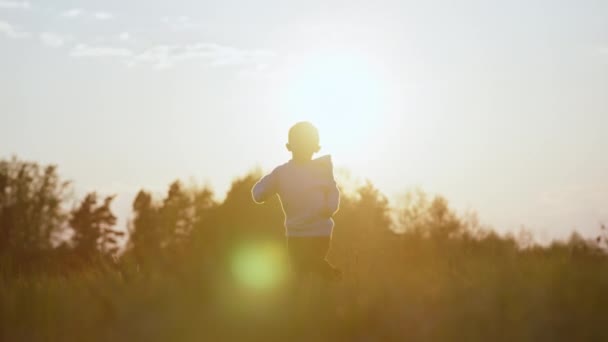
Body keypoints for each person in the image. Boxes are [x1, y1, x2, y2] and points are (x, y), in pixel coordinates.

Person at [251, 121, 341, 282]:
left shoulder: (321, 169)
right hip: (295, 232)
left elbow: (332, 191)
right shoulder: (282, 173)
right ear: (289, 147)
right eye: (299, 144)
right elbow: (259, 191)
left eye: (307, 144)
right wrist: (260, 193)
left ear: (315, 148)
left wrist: (330, 207)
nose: (303, 148)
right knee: (299, 271)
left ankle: (331, 277)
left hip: (319, 229)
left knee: (311, 263)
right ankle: (325, 283)